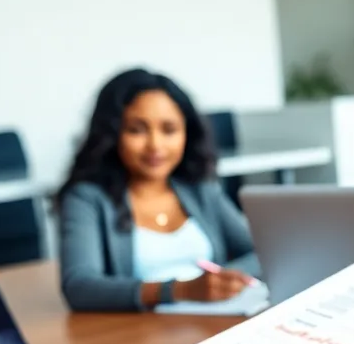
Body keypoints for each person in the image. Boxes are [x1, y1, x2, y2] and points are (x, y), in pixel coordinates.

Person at [56, 68, 259, 312]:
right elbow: (79, 286)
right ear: (112, 134)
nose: (155, 144)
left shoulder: (200, 188)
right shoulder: (86, 198)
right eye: (137, 130)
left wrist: (220, 283)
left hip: (211, 321)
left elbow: (261, 252)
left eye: (169, 129)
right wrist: (180, 290)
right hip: (139, 329)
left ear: (187, 133)